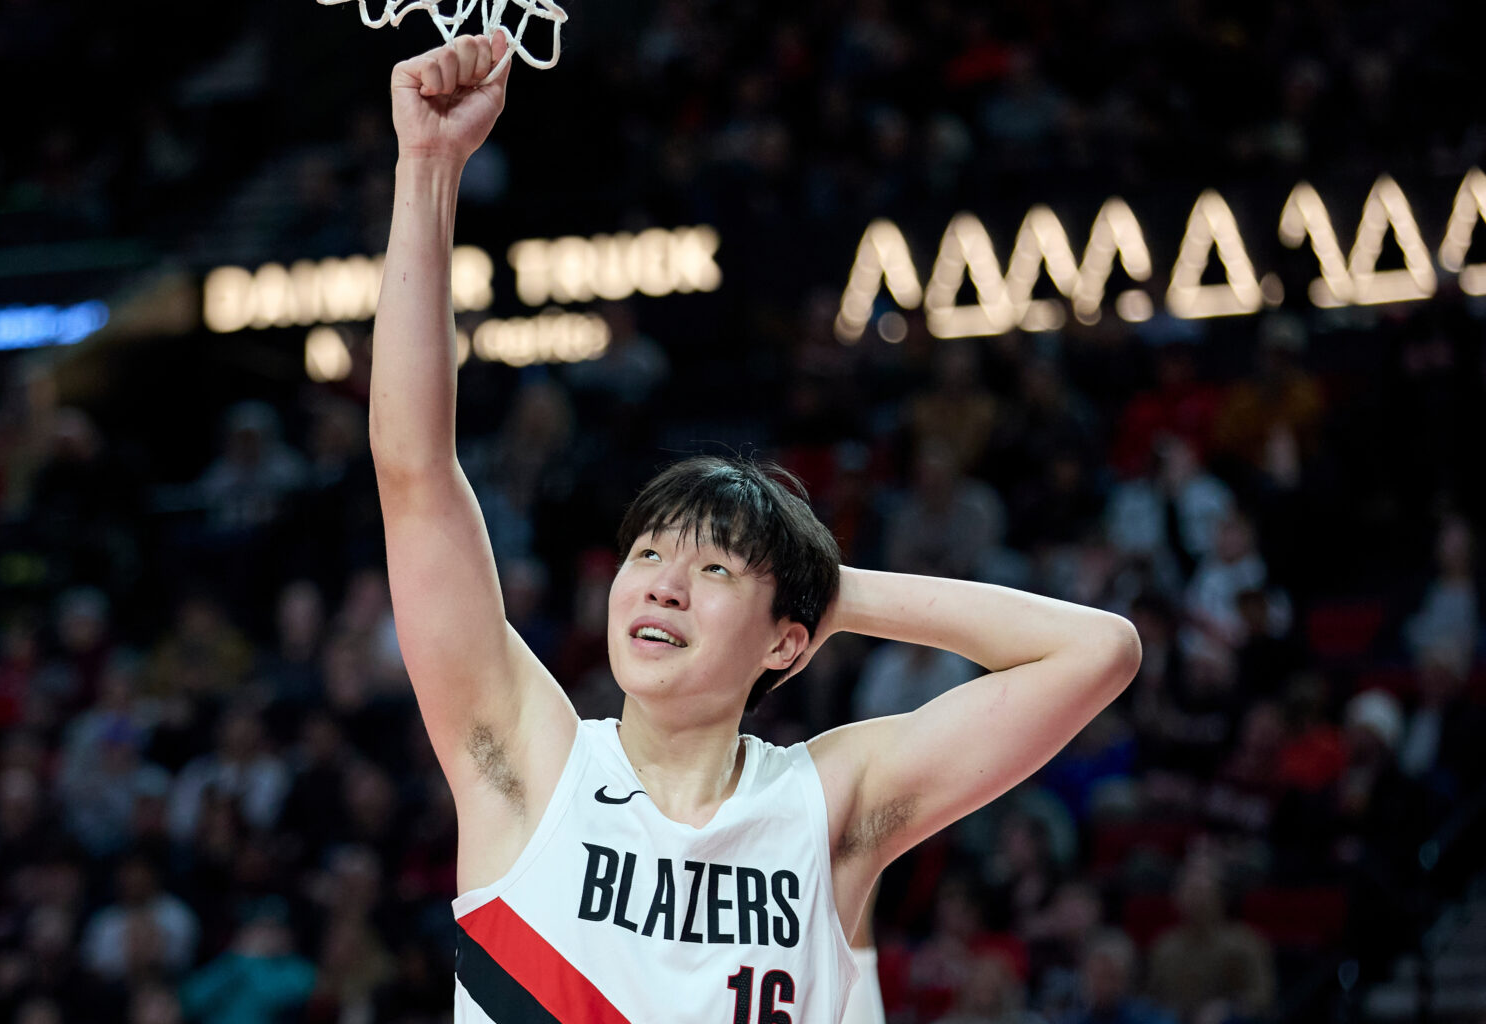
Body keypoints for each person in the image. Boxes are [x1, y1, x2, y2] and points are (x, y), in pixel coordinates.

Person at [371, 30, 1141, 1022]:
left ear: (786, 636)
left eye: (715, 569)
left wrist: (832, 589)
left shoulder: (827, 807)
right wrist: (428, 170)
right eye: (647, 553)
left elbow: (1098, 650)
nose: (660, 580)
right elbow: (416, 473)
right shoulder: (531, 763)